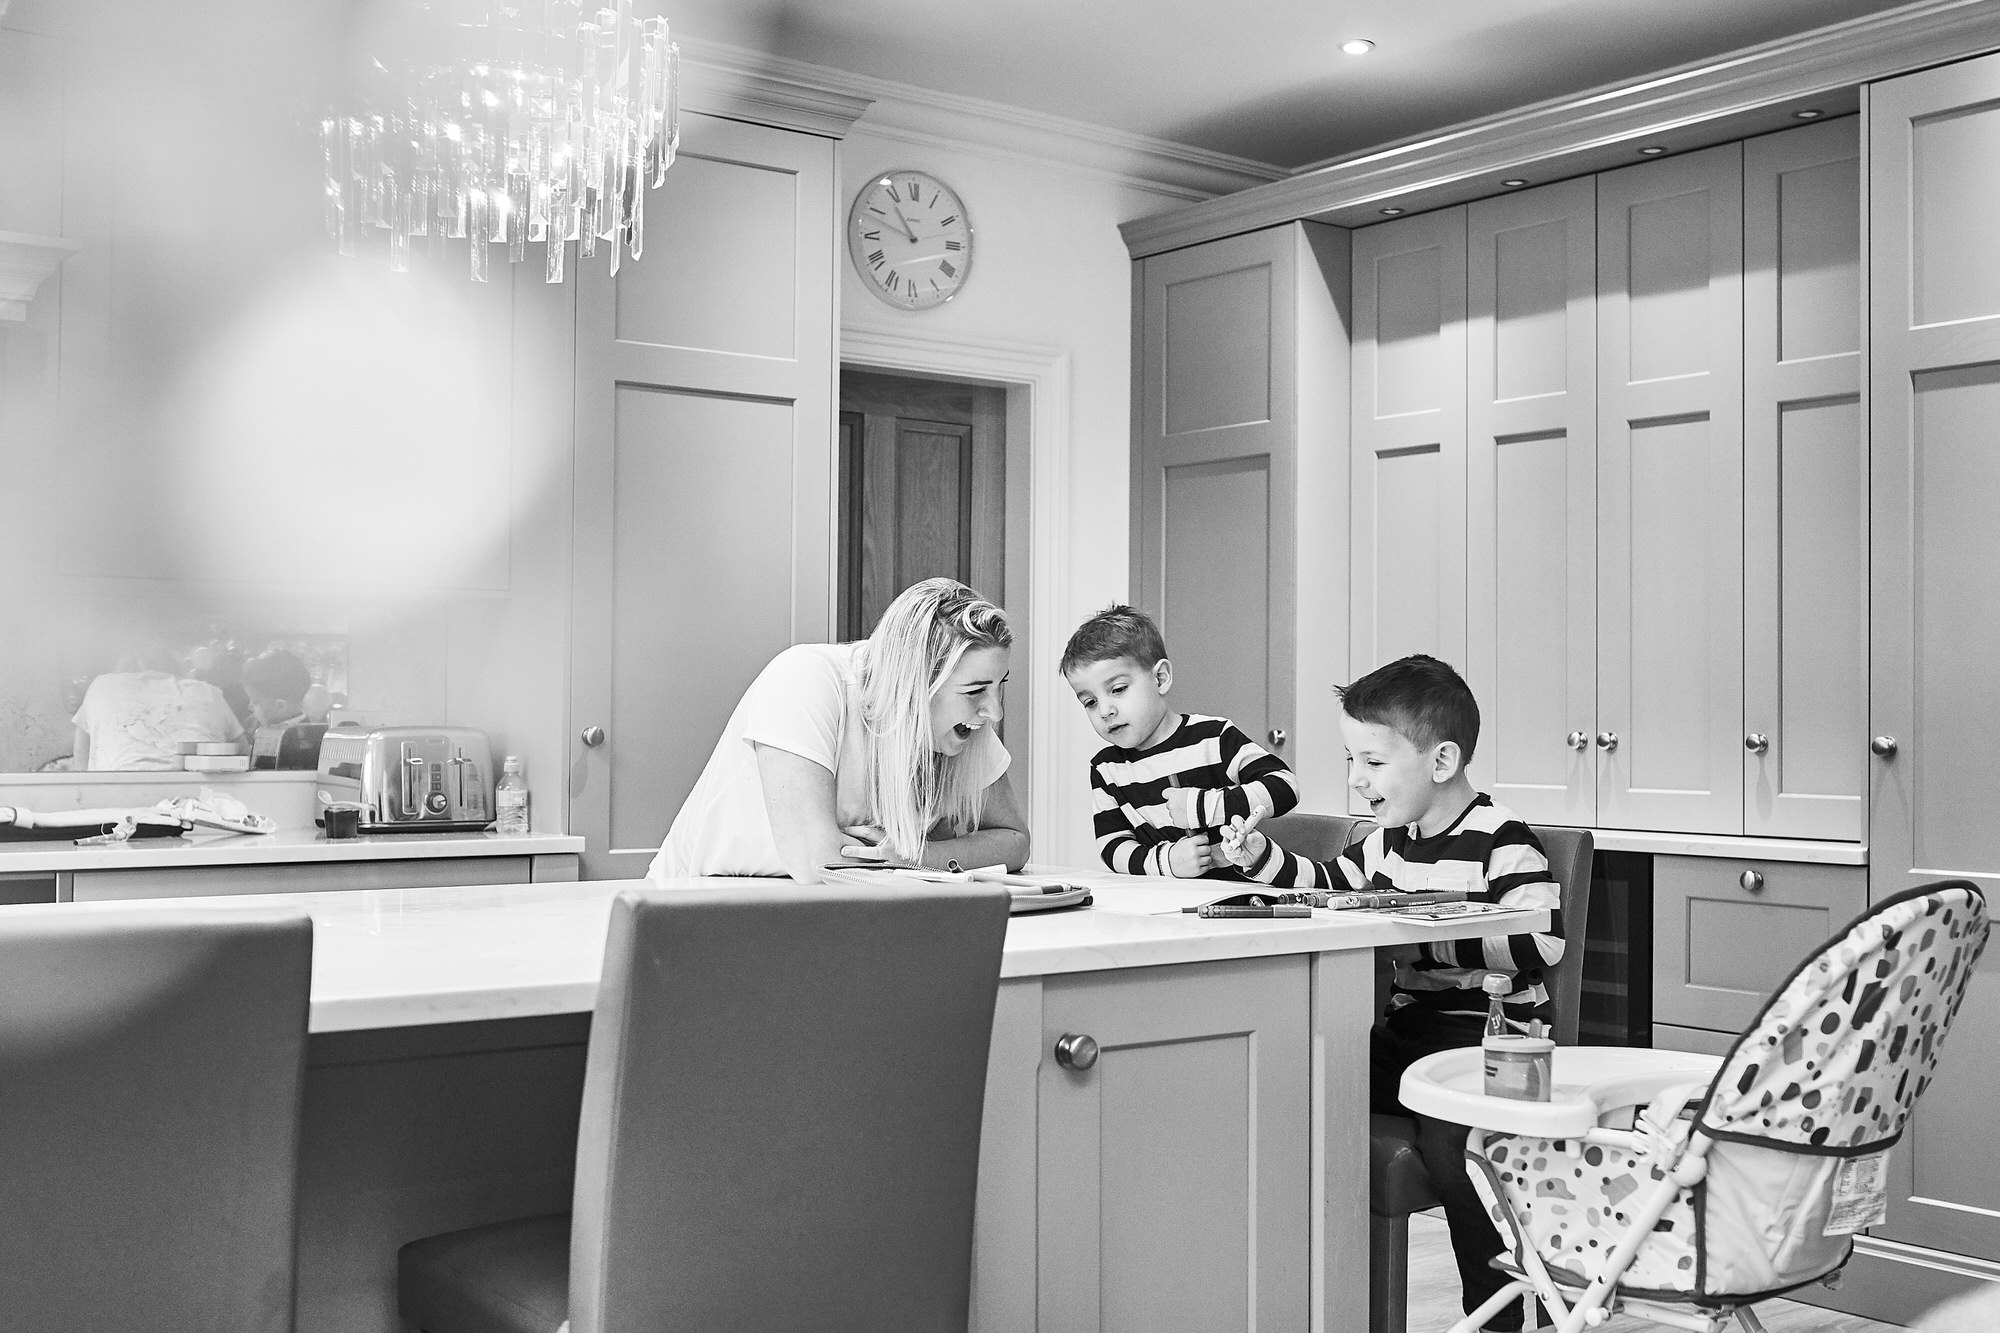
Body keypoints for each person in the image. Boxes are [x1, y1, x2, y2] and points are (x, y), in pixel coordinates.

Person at [1219, 654, 1563, 1333]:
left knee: (1456, 1148)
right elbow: (1323, 884)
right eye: (1352, 760)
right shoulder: (1386, 843)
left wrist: (1420, 939)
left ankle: (1498, 1313)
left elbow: (1540, 941)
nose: (1356, 779)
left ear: (1440, 761)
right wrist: (1258, 858)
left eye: (1372, 763)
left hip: (1485, 1039)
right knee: (1294, 1095)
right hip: (1407, 1032)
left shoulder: (1503, 838)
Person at [650, 578, 1031, 883]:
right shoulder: (804, 679)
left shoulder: (964, 721)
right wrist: (948, 855)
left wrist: (917, 856)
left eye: (1000, 685)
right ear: (914, 684)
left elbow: (1014, 842)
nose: (993, 711)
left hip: (824, 913)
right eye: (976, 690)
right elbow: (819, 865)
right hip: (689, 904)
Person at [1059, 603, 1298, 879]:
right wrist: (1165, 861)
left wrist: (1205, 807)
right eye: (1090, 702)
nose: (1104, 711)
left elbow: (1285, 785)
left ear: (1161, 678)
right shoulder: (1106, 769)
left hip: (1236, 899)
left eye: (1119, 689)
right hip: (1161, 907)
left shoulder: (1214, 737)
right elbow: (1112, 845)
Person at [71, 637, 246, 771]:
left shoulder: (102, 687)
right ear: (176, 660)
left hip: (117, 801)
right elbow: (245, 757)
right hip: (207, 801)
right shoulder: (208, 692)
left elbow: (81, 766)